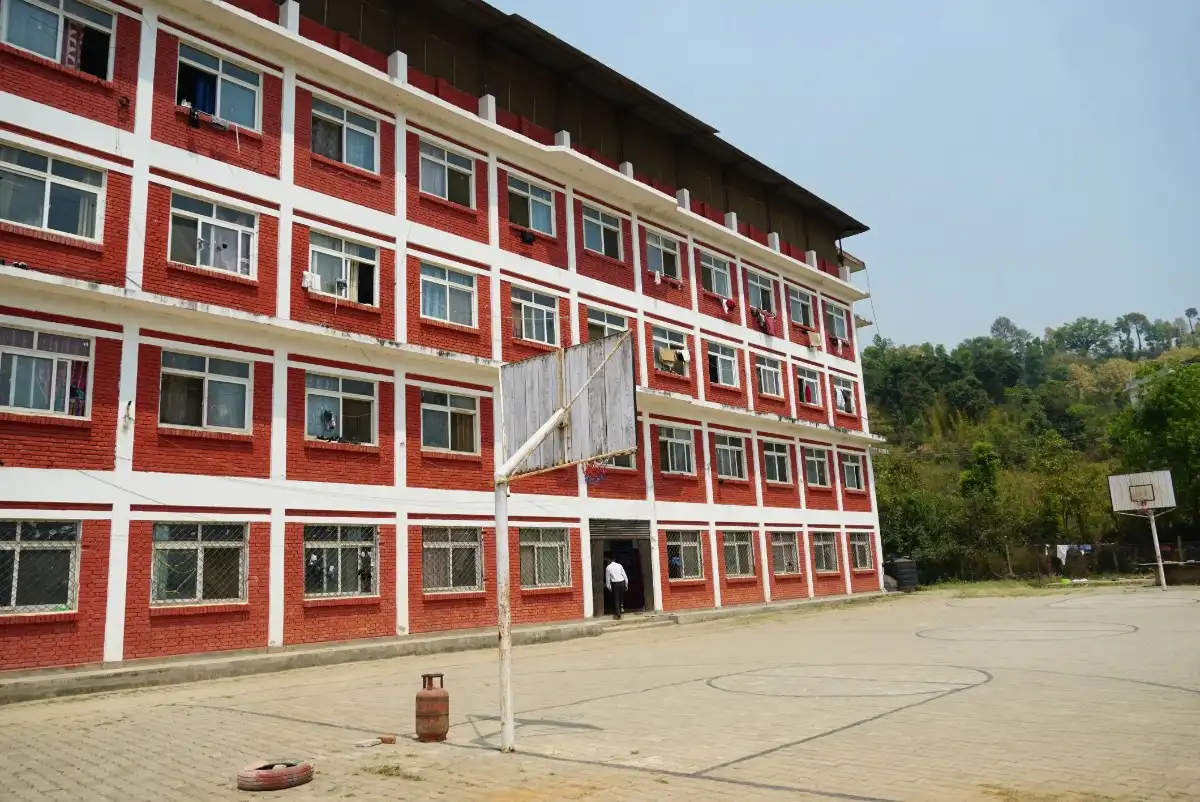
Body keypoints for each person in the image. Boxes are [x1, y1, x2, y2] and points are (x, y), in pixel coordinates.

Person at [604, 555, 629, 619]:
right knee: (621, 597)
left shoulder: (608, 567)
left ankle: (618, 614)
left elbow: (608, 578)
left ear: (609, 560)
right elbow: (624, 575)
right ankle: (621, 608)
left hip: (615, 583)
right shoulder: (619, 565)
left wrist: (608, 587)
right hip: (622, 582)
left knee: (616, 599)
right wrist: (626, 584)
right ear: (614, 559)